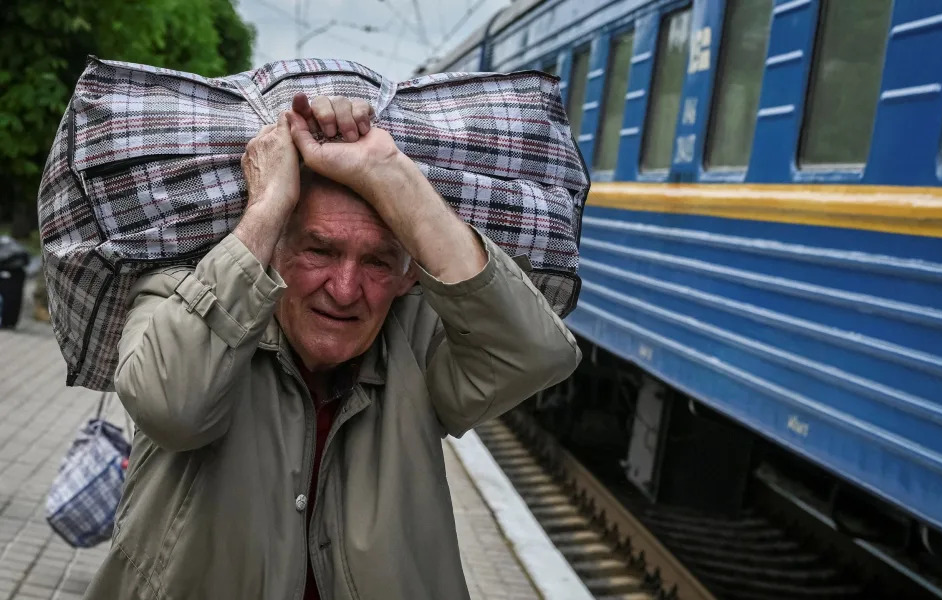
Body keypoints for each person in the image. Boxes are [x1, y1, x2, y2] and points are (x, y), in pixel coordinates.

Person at [82, 92, 581, 600]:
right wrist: (268, 205)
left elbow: (538, 356)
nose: (344, 290)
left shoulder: (417, 342)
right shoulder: (177, 299)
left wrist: (396, 178)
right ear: (274, 248)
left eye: (378, 263)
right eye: (319, 250)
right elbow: (173, 407)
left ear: (409, 277)